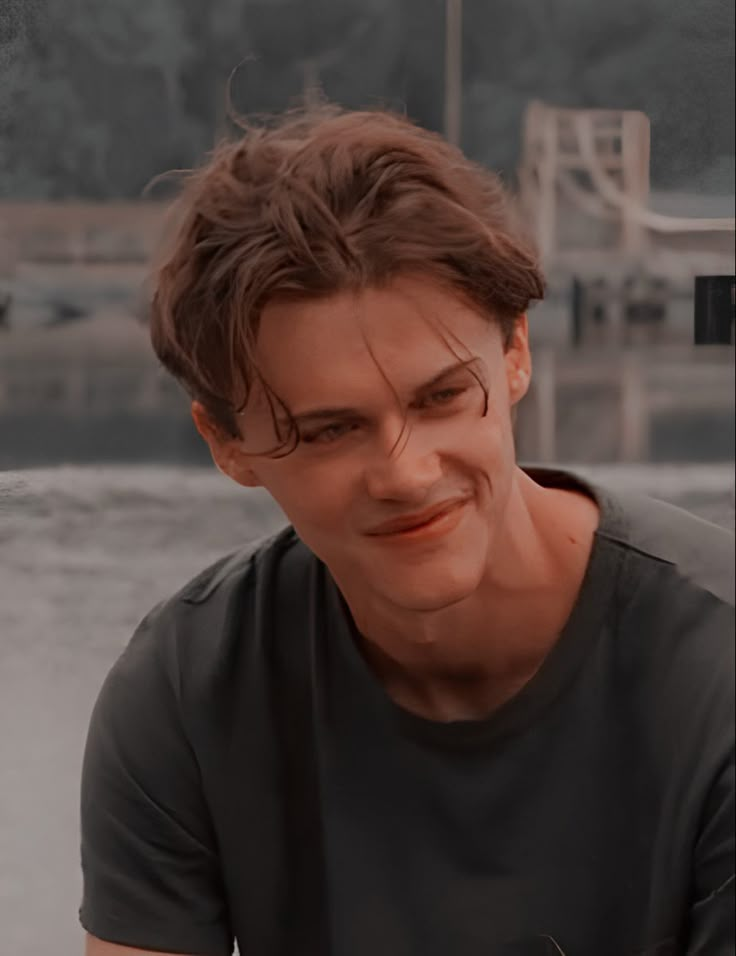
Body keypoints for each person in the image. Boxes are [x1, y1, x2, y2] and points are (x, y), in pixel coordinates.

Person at [79, 107, 734, 956]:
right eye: (328, 430)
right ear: (228, 445)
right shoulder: (184, 693)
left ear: (516, 354)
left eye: (442, 398)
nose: (407, 474)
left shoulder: (716, 670)